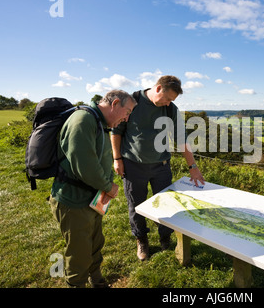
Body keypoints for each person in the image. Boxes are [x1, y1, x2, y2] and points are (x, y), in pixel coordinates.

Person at [111, 75, 205, 261]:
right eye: (167, 98)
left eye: (172, 101)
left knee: (165, 203)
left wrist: (192, 166)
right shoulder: (132, 102)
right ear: (158, 88)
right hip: (133, 165)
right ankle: (142, 240)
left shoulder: (170, 109)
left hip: (161, 166)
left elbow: (181, 140)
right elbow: (116, 131)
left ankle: (165, 237)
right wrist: (117, 158)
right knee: (136, 205)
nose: (168, 103)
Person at [49, 90, 136, 288]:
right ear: (115, 103)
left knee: (95, 243)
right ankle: (76, 283)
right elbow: (85, 166)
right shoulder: (83, 120)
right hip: (74, 201)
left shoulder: (98, 122)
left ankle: (96, 279)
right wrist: (108, 186)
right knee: (79, 251)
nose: (127, 118)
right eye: (127, 112)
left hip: (91, 199)